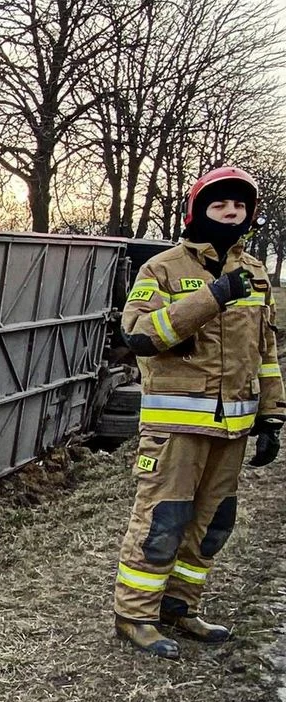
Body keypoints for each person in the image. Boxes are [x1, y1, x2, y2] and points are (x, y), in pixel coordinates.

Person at [113, 166, 284, 659]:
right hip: (175, 428)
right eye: (219, 205)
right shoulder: (162, 269)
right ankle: (136, 615)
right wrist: (212, 298)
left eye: (239, 206)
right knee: (163, 518)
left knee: (212, 522)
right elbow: (141, 335)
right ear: (198, 212)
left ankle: (179, 607)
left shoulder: (255, 272)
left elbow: (265, 348)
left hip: (232, 428)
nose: (231, 213)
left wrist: (272, 414)